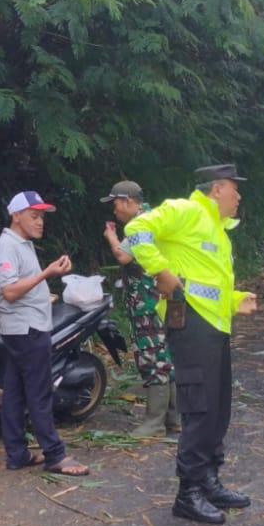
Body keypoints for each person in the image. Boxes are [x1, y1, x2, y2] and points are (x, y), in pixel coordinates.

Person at [121, 163, 258, 525]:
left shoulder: (217, 229)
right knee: (198, 408)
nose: (238, 196)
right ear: (217, 189)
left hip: (214, 324)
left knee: (217, 406)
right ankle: (189, 493)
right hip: (191, 324)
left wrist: (234, 300)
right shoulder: (185, 210)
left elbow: (206, 284)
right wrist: (161, 271)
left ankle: (209, 480)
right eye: (234, 188)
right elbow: (136, 229)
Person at [0, 191, 89, 476]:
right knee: (39, 392)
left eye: (42, 217)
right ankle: (55, 455)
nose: (40, 222)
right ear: (16, 215)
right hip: (26, 331)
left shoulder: (22, 243)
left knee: (15, 393)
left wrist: (44, 289)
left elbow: (21, 285)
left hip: (25, 328)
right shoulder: (7, 246)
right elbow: (9, 291)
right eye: (34, 216)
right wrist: (45, 275)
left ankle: (17, 453)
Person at [101, 180, 179, 439]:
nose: (114, 210)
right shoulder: (155, 217)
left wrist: (112, 237)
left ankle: (154, 423)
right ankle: (175, 418)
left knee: (152, 354)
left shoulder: (140, 224)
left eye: (115, 204)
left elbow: (124, 256)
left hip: (149, 300)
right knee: (168, 353)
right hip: (167, 298)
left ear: (128, 201)